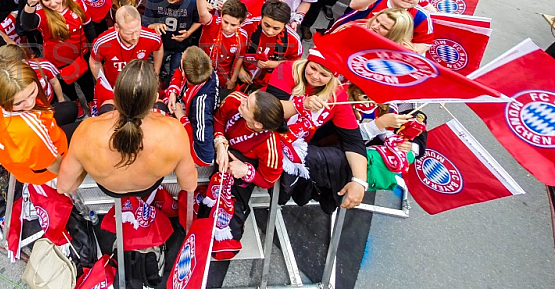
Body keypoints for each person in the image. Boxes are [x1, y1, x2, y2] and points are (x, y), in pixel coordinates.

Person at [57, 60, 198, 197]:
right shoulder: (175, 132)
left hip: (110, 188)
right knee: (163, 105)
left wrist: (87, 167)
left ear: (115, 95)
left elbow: (65, 187)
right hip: (147, 185)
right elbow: (189, 185)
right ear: (154, 99)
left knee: (106, 104)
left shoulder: (86, 131)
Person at [266, 51, 369, 212]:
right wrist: (300, 104)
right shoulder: (284, 69)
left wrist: (360, 181)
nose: (315, 76)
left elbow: (353, 141)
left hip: (295, 144)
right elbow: (269, 111)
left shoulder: (337, 95)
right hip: (265, 131)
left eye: (324, 74)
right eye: (313, 68)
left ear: (333, 78)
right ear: (307, 62)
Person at [212, 89, 286, 257]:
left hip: (239, 178)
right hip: (222, 153)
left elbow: (268, 180)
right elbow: (218, 120)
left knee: (227, 239)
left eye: (246, 104)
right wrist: (220, 144)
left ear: (258, 124)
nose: (242, 101)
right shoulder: (234, 100)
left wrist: (246, 171)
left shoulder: (270, 147)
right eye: (248, 98)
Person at [0, 58, 69, 185]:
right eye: (18, 102)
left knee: (69, 109)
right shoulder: (28, 130)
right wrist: (68, 176)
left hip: (22, 161)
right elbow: (53, 164)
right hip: (47, 169)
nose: (30, 103)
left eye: (32, 92)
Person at [20, 0, 95, 103]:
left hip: (81, 55)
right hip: (57, 60)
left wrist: (93, 47)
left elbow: (89, 27)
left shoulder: (78, 3)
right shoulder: (40, 12)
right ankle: (76, 103)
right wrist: (30, 4)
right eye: (47, 0)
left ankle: (91, 101)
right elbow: (27, 25)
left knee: (87, 83)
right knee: (66, 86)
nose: (53, 3)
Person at [333, 0, 434, 51]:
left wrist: (396, 53)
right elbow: (354, 4)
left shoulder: (421, 17)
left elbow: (424, 44)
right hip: (346, 41)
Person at [89, 5, 164, 106]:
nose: (135, 37)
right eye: (129, 33)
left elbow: (159, 48)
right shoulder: (103, 42)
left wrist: (156, 73)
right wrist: (103, 83)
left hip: (139, 84)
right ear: (117, 27)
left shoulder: (151, 37)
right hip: (113, 86)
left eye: (137, 30)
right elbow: (94, 61)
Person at [142, 0, 201, 79]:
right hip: (158, 45)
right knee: (153, 75)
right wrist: (153, 25)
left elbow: (199, 21)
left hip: (180, 45)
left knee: (175, 77)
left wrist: (189, 33)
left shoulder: (192, 1)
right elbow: (145, 22)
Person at [193, 0, 247, 93]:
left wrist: (232, 80)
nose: (228, 27)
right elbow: (203, 13)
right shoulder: (213, 23)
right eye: (225, 22)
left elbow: (239, 58)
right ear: (221, 16)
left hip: (222, 77)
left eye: (233, 25)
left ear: (241, 23)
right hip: (200, 69)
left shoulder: (242, 36)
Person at [239, 0, 302, 90]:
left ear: (285, 25)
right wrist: (239, 70)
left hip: (270, 80)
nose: (269, 31)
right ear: (261, 17)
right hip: (243, 72)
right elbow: (233, 48)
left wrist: (273, 64)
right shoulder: (247, 26)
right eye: (266, 25)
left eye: (276, 28)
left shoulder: (293, 39)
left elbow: (295, 63)